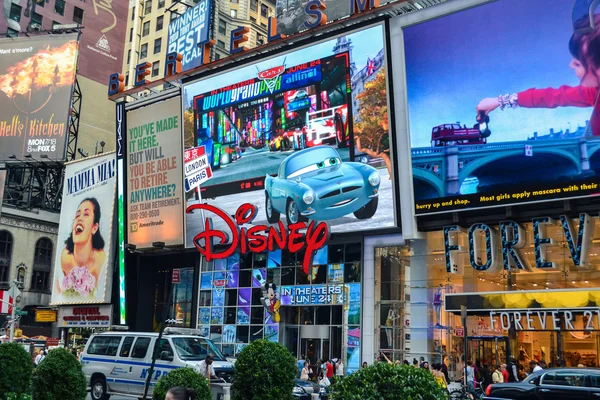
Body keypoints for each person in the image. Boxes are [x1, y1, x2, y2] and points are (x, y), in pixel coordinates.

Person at [476, 13, 600, 136]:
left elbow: (552, 97)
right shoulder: (594, 92)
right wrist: (499, 101)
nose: (571, 65)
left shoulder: (593, 94)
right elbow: (549, 96)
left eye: (577, 63)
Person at [58, 198, 107, 294]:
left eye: (86, 214)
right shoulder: (64, 257)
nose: (79, 218)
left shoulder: (101, 262)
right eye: (77, 215)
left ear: (94, 228)